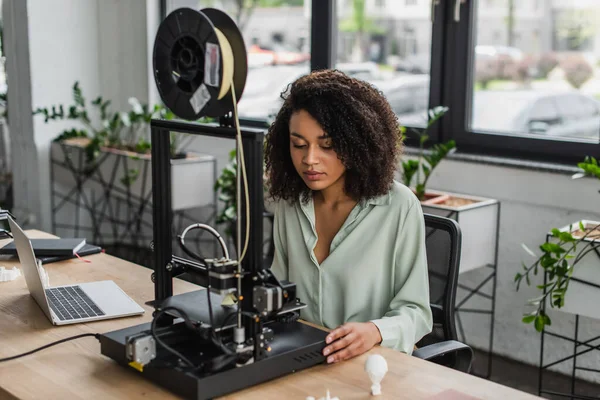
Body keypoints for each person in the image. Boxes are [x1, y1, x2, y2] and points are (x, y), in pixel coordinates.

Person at [264, 69, 432, 364]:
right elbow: (278, 291)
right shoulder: (290, 203)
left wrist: (375, 331)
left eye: (327, 145)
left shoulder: (398, 207)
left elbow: (416, 313)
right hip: (303, 360)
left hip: (374, 365)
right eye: (299, 144)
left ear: (357, 143)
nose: (310, 159)